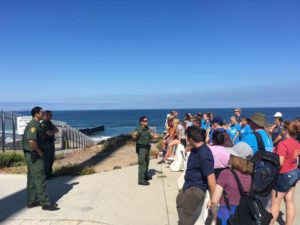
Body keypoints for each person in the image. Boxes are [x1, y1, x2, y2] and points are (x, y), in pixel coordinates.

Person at [176, 126, 216, 225]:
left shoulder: (204, 154)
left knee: (187, 215)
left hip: (195, 189)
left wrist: (212, 199)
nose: (187, 140)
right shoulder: (196, 148)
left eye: (187, 138)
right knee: (179, 201)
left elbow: (211, 178)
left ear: (191, 139)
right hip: (188, 185)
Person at [22, 106, 59, 210]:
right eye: (41, 113)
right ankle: (45, 203)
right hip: (34, 154)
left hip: (32, 154)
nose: (43, 114)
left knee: (32, 178)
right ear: (36, 114)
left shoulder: (37, 124)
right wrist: (39, 151)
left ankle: (32, 201)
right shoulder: (33, 125)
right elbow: (31, 141)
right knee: (40, 177)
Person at [209, 142, 253, 225]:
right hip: (244, 216)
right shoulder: (251, 176)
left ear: (236, 158)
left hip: (226, 216)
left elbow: (214, 201)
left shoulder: (226, 174)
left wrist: (215, 218)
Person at [270, 120, 300, 225]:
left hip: (283, 175)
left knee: (275, 203)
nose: (281, 130)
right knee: (289, 200)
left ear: (286, 130)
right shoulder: (297, 143)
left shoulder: (282, 144)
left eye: (282, 129)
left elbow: (280, 162)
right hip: (294, 172)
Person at [132, 116, 158, 186]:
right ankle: (141, 180)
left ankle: (145, 176)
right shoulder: (138, 129)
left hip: (147, 148)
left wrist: (154, 136)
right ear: (141, 122)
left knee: (147, 163)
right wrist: (134, 135)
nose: (147, 121)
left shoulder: (147, 129)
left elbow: (150, 136)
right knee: (142, 163)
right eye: (145, 121)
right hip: (141, 149)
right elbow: (134, 137)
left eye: (147, 120)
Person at [41, 110, 59, 180]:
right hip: (45, 144)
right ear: (45, 115)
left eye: (51, 115)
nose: (51, 116)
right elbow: (49, 133)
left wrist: (53, 131)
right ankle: (46, 175)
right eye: (50, 115)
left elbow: (57, 130)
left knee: (51, 159)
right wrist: (53, 131)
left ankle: (49, 173)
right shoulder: (43, 123)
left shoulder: (50, 122)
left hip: (51, 143)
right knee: (47, 160)